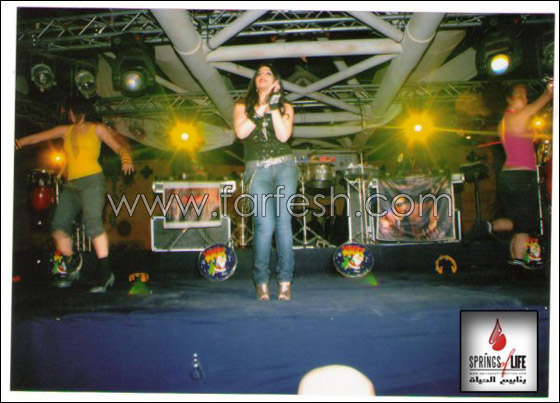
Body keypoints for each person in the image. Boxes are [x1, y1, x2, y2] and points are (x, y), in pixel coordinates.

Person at [15, 97, 134, 291]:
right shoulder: (66, 130)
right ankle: (70, 266)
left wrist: (126, 159)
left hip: (92, 182)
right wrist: (18, 142)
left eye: (70, 111)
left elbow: (118, 147)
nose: (68, 115)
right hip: (71, 185)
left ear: (79, 110)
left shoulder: (97, 128)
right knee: (58, 225)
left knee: (92, 224)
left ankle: (105, 275)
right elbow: (38, 137)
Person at [465, 81, 553, 269]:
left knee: (515, 221)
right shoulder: (519, 116)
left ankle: (487, 227)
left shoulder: (504, 121)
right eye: (520, 95)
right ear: (510, 99)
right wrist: (550, 91)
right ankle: (520, 261)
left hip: (508, 176)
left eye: (525, 95)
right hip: (521, 176)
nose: (525, 99)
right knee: (524, 225)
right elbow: (544, 99)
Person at [233, 63, 297, 301]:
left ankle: (285, 281)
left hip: (285, 168)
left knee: (283, 224)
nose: (262, 76)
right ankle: (261, 281)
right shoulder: (242, 105)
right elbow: (241, 132)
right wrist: (261, 107)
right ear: (255, 81)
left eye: (268, 73)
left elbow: (283, 135)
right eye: (258, 74)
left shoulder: (286, 107)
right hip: (257, 170)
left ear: (276, 82)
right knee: (264, 225)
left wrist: (274, 105)